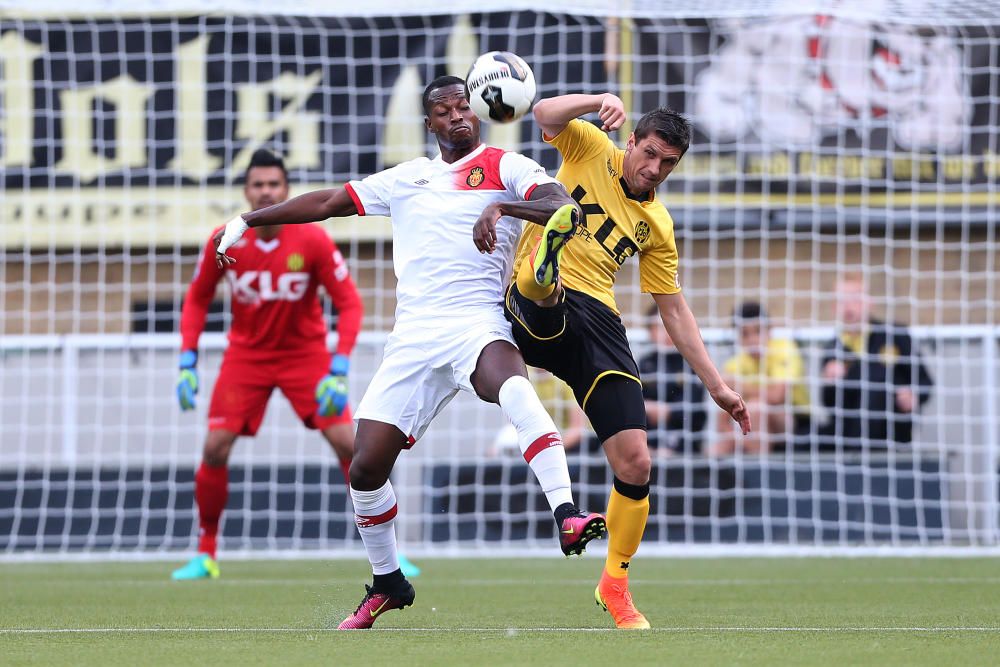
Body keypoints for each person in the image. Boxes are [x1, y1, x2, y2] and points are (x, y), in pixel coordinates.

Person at [213, 76, 607, 630]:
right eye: (444, 111)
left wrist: (505, 211)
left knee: (516, 387)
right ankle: (388, 581)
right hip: (413, 338)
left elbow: (563, 206)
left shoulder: (505, 165)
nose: (457, 117)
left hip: (477, 322)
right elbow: (329, 201)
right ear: (430, 124)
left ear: (478, 112)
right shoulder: (407, 178)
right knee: (365, 466)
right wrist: (247, 221)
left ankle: (566, 513)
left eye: (463, 107)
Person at [495, 93, 750, 629]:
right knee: (542, 291)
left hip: (600, 321)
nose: (654, 169)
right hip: (541, 301)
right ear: (630, 140)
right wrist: (599, 100)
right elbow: (541, 114)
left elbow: (674, 311)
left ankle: (614, 583)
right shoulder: (590, 144)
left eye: (668, 164)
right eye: (650, 154)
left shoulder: (657, 224)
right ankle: (543, 268)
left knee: (636, 462)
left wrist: (719, 387)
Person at [171, 149, 419, 579]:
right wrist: (188, 359)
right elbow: (196, 299)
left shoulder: (312, 240)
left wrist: (339, 366)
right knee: (214, 448)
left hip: (306, 358)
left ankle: (389, 552)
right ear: (246, 191)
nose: (266, 191)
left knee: (352, 446)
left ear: (285, 190)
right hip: (246, 357)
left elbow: (349, 304)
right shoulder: (226, 239)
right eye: (258, 185)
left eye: (274, 185)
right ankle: (206, 553)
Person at [819, 273, 933, 449]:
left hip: (893, 429)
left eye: (855, 300)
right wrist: (830, 383)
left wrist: (913, 396)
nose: (849, 307)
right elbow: (829, 405)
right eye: (842, 301)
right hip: (849, 434)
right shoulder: (833, 349)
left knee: (876, 389)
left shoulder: (894, 335)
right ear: (834, 307)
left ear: (869, 302)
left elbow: (924, 381)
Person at [708, 302, 810, 456]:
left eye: (758, 331)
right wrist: (734, 440)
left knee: (756, 408)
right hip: (751, 429)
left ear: (770, 331)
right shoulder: (734, 364)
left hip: (795, 422)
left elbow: (777, 396)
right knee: (718, 447)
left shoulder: (784, 349)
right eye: (745, 334)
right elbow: (721, 422)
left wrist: (738, 385)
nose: (752, 339)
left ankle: (757, 471)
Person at [637, 304, 708, 456]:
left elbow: (696, 412)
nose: (665, 332)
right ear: (650, 332)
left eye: (668, 325)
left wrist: (667, 411)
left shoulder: (692, 362)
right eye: (658, 327)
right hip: (648, 444)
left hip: (685, 444)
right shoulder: (644, 364)